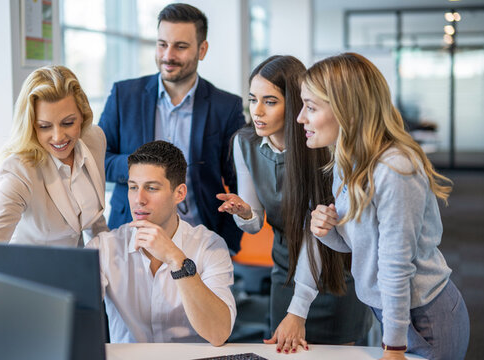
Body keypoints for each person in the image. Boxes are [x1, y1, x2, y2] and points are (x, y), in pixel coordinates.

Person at [294, 52, 469, 360]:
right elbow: (360, 247)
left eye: (310, 107)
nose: (300, 118)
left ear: (347, 110)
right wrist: (327, 231)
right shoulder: (349, 159)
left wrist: (394, 346)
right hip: (392, 309)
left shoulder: (395, 167)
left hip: (424, 315)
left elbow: (395, 263)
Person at [216, 55, 370, 353]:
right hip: (285, 268)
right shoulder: (244, 143)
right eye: (252, 99)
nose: (257, 111)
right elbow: (255, 222)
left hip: (334, 269)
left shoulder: (321, 144)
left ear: (296, 104)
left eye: (270, 102)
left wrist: (299, 310)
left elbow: (316, 232)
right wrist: (245, 213)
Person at [99, 3, 245, 252]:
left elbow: (241, 179)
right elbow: (98, 160)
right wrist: (143, 169)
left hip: (199, 241)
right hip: (130, 237)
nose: (168, 55)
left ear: (202, 49)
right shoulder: (124, 95)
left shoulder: (226, 106)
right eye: (162, 44)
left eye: (180, 46)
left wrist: (227, 243)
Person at [86, 141, 235, 346]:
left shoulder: (209, 246)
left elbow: (219, 333)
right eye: (133, 187)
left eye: (151, 188)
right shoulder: (104, 248)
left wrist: (177, 260)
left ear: (179, 193)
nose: (139, 199)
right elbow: (73, 317)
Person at [0, 65, 108, 247]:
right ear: (31, 125)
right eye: (45, 126)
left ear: (82, 114)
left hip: (76, 270)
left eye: (68, 123)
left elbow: (94, 219)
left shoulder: (95, 140)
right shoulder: (20, 169)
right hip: (29, 273)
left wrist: (113, 263)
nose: (58, 137)